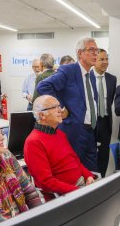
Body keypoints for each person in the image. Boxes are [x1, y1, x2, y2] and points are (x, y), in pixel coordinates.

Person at [37, 38, 99, 173]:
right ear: (80, 53)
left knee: (91, 173)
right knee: (73, 173)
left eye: (97, 50)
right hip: (74, 131)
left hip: (91, 131)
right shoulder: (68, 70)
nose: (96, 54)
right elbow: (43, 86)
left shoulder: (91, 75)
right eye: (91, 50)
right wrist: (60, 108)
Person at [24, 95, 95, 201]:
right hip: (64, 194)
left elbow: (75, 161)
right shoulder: (33, 142)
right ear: (42, 115)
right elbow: (46, 182)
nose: (60, 110)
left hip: (80, 185)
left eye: (59, 106)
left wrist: (88, 176)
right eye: (54, 107)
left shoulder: (60, 134)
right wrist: (77, 191)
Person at [92, 48, 117, 177]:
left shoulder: (112, 79)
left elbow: (110, 101)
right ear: (94, 60)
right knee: (91, 153)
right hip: (90, 122)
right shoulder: (87, 78)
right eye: (102, 59)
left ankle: (101, 177)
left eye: (107, 59)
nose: (105, 62)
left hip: (105, 121)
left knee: (104, 153)